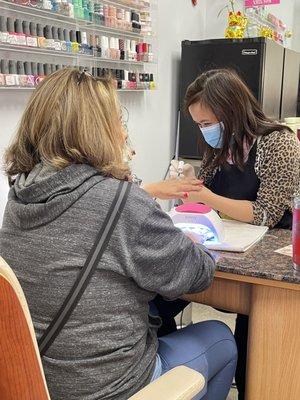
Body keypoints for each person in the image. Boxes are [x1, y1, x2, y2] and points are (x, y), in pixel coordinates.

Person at [0, 68, 237, 400]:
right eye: (118, 124)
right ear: (99, 133)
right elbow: (197, 274)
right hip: (110, 389)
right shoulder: (124, 203)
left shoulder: (18, 199)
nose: (124, 136)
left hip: (35, 384)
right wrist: (187, 244)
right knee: (221, 337)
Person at [166, 68, 300, 399]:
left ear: (232, 109)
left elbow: (265, 214)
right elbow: (206, 186)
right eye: (199, 125)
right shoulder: (223, 144)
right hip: (225, 244)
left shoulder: (277, 144)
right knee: (159, 298)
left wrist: (207, 198)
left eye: (208, 123)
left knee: (253, 351)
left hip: (266, 254)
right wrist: (189, 179)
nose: (205, 131)